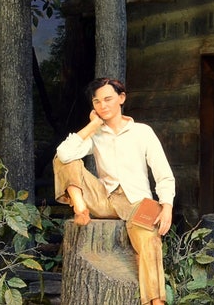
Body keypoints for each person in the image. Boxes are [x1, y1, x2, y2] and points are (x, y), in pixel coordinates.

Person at [54, 77, 175, 305]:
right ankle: (80, 207)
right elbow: (63, 154)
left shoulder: (143, 132)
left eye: (108, 99)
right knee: (64, 159)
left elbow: (163, 174)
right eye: (97, 102)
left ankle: (155, 302)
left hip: (140, 202)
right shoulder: (96, 134)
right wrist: (91, 127)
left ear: (121, 98)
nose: (103, 105)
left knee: (149, 241)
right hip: (105, 200)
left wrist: (166, 206)